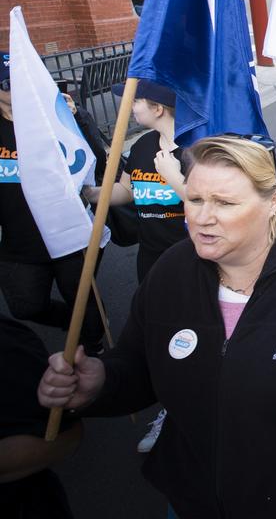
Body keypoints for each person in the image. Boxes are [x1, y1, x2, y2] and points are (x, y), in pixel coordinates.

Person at [37, 135, 276, 518]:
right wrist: (100, 382)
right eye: (194, 199)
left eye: (224, 203)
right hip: (196, 496)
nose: (202, 217)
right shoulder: (170, 272)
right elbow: (140, 367)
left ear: (273, 201)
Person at [83, 80, 187, 454]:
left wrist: (178, 180)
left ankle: (195, 409)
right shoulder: (142, 146)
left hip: (196, 267)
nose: (129, 108)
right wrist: (94, 194)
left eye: (135, 101)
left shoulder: (198, 146)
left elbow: (216, 205)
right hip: (152, 263)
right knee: (160, 338)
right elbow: (128, 190)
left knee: (193, 341)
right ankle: (170, 408)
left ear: (157, 108)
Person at [0, 55, 105, 355]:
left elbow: (96, 161)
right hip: (19, 240)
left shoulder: (52, 119)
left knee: (83, 299)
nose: (15, 90)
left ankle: (92, 344)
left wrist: (77, 119)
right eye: (7, 84)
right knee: (25, 305)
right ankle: (72, 324)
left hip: (68, 232)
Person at [0, 316, 81, 518]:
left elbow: (67, 433)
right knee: (29, 305)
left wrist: (107, 377)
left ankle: (92, 332)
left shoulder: (8, 344)